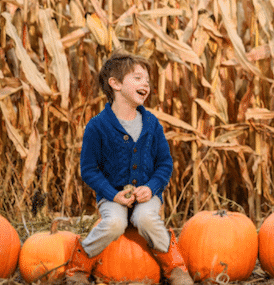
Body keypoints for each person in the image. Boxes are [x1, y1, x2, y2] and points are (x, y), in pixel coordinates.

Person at [65, 52, 193, 285]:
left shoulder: (152, 124)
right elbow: (89, 169)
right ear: (115, 84)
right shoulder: (97, 126)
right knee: (114, 223)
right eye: (137, 78)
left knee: (146, 219)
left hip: (146, 195)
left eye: (147, 80)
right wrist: (113, 194)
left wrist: (152, 188)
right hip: (112, 195)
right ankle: (79, 265)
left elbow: (165, 163)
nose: (146, 83)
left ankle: (175, 267)